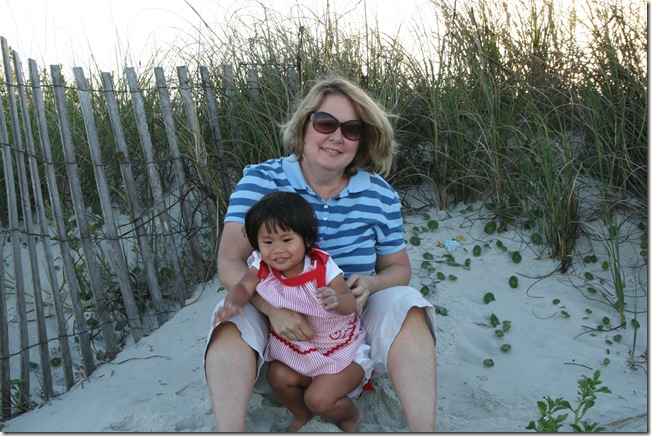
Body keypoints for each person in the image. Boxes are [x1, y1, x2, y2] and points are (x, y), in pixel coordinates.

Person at [204, 75, 438, 432]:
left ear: (363, 140)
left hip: (347, 329)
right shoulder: (261, 180)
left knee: (408, 303)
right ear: (304, 127)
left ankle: (426, 430)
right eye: (325, 123)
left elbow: (398, 268)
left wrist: (371, 284)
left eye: (352, 129)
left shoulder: (380, 194)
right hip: (277, 332)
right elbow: (230, 262)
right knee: (229, 316)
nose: (336, 137)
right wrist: (273, 310)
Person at [211, 191, 373, 432]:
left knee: (319, 399)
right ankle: (302, 414)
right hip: (300, 349)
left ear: (306, 239)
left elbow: (349, 302)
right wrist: (233, 301)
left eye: (286, 240)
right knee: (277, 375)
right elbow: (244, 286)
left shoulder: (321, 266)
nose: (277, 250)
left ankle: (351, 416)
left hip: (340, 350)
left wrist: (337, 299)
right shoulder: (261, 266)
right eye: (268, 242)